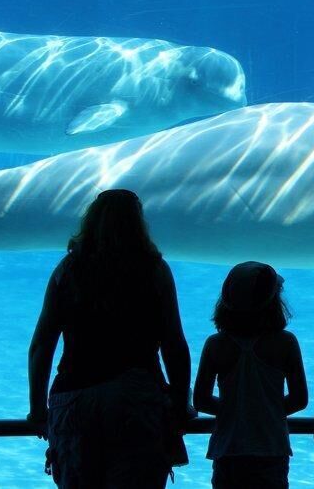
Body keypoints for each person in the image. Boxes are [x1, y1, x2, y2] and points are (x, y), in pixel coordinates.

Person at [27, 189, 192, 488]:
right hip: (136, 399)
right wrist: (182, 404)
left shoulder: (68, 270)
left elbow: (42, 344)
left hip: (74, 398)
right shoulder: (154, 270)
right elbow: (174, 345)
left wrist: (37, 408)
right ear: (138, 223)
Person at [194, 261, 308, 489]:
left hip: (228, 448)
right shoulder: (285, 342)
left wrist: (235, 411)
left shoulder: (216, 345)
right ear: (274, 302)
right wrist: (266, 411)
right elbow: (299, 399)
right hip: (271, 448)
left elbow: (201, 400)